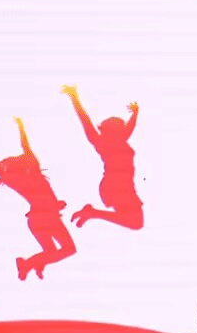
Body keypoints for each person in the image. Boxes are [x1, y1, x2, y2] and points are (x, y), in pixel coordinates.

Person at [0, 120, 76, 280]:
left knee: (53, 251)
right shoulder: (31, 176)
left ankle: (33, 263)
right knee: (68, 249)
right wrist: (21, 127)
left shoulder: (19, 180)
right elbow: (24, 148)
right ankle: (31, 263)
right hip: (45, 218)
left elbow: (6, 160)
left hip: (38, 220)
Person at [61, 84, 144, 230]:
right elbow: (85, 119)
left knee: (135, 222)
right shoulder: (102, 142)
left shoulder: (119, 141)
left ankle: (92, 213)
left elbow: (130, 127)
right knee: (135, 222)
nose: (124, 127)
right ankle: (92, 213)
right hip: (117, 184)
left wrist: (135, 114)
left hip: (121, 184)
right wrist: (74, 98)